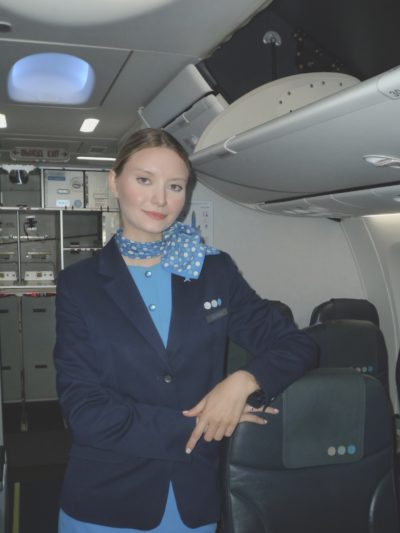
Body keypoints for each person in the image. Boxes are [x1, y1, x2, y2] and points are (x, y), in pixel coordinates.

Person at [54, 128, 317, 533]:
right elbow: (85, 412)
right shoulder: (80, 285)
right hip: (106, 500)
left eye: (174, 186)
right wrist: (203, 422)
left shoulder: (213, 271)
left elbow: (298, 344)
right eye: (145, 180)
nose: (160, 199)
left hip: (193, 501)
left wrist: (244, 380)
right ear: (114, 182)